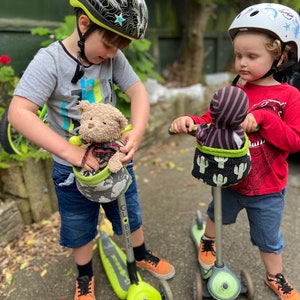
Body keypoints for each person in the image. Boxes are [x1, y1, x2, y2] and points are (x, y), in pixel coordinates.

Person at [8, 0, 175, 299]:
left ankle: (140, 253)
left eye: (119, 47)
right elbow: (19, 112)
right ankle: (84, 276)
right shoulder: (50, 61)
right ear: (84, 24)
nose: (112, 54)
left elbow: (138, 92)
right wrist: (70, 153)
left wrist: (136, 131)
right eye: (110, 44)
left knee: (129, 213)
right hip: (71, 170)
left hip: (114, 159)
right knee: (78, 225)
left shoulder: (113, 56)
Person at [170, 3, 300, 299]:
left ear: (280, 55)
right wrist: (191, 121)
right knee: (217, 214)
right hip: (228, 178)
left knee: (268, 237)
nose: (242, 63)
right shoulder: (235, 92)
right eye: (239, 55)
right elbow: (209, 120)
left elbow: (294, 140)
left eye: (252, 56)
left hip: (268, 187)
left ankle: (275, 275)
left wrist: (265, 119)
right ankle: (207, 241)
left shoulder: (288, 96)